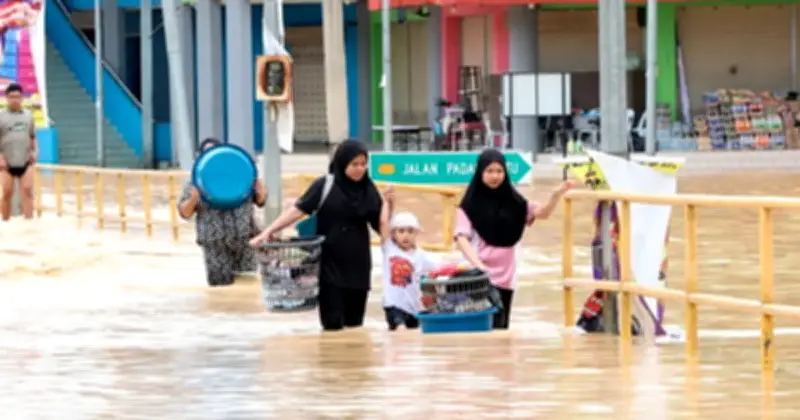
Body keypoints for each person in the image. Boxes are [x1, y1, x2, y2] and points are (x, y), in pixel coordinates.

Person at [250, 140, 383, 331]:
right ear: (342, 162)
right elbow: (297, 211)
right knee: (332, 327)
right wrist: (267, 233)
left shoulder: (368, 190)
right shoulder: (325, 185)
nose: (360, 169)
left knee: (355, 328)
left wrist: (390, 208)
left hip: (359, 269)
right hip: (329, 267)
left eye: (363, 164)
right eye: (354, 164)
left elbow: (381, 226)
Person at [455, 149, 573, 329]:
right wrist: (478, 265)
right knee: (481, 331)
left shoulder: (515, 202)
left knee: (501, 330)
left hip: (506, 279)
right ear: (480, 173)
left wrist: (555, 195)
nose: (495, 176)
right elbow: (461, 239)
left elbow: (543, 213)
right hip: (478, 278)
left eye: (499, 171)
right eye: (489, 171)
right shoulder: (468, 206)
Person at [178, 137, 267, 286]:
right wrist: (194, 198)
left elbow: (261, 201)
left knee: (248, 283)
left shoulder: (243, 177)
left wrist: (259, 188)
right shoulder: (195, 182)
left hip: (245, 239)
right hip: (215, 243)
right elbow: (184, 214)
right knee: (220, 287)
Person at [378, 190, 439, 330]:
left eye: (410, 231)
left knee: (409, 343)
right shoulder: (389, 249)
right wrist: (386, 202)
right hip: (393, 305)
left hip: (413, 309)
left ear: (417, 233)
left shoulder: (421, 256)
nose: (406, 235)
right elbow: (383, 223)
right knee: (401, 332)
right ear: (394, 234)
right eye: (401, 231)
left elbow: (438, 271)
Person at [0, 83, 36, 220]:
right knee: (7, 192)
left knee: (27, 191)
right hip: (6, 163)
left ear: (22, 98)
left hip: (25, 161)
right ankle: (5, 222)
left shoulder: (28, 116)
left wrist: (35, 151)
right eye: (11, 97)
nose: (15, 99)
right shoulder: (1, 116)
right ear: (6, 98)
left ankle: (29, 223)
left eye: (18, 97)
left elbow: (32, 136)